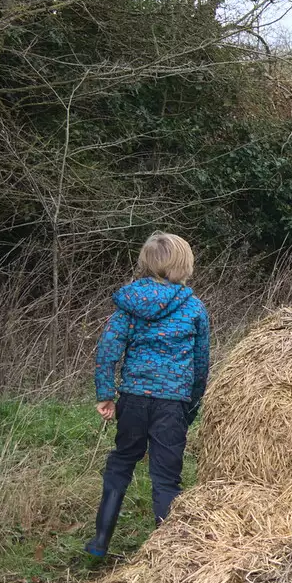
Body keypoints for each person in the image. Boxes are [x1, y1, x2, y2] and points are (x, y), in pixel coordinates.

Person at [87, 231, 211, 558]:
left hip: (132, 398)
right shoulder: (194, 308)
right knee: (166, 475)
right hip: (173, 403)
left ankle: (100, 541)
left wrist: (105, 393)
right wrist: (191, 405)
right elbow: (201, 365)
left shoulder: (130, 304)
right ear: (182, 266)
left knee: (121, 461)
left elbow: (107, 350)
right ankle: (166, 557)